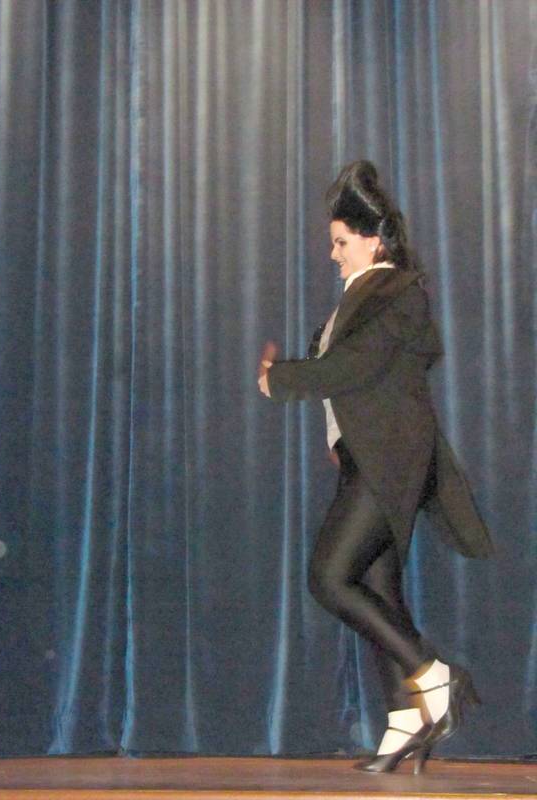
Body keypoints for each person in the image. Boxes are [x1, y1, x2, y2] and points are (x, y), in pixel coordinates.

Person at [257, 160, 494, 774]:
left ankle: (434, 675)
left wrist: (280, 380)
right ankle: (406, 718)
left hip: (389, 463)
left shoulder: (395, 293)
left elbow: (349, 369)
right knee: (378, 590)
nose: (333, 254)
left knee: (329, 577)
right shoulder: (363, 298)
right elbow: (353, 381)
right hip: (369, 460)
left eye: (341, 242)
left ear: (373, 241)